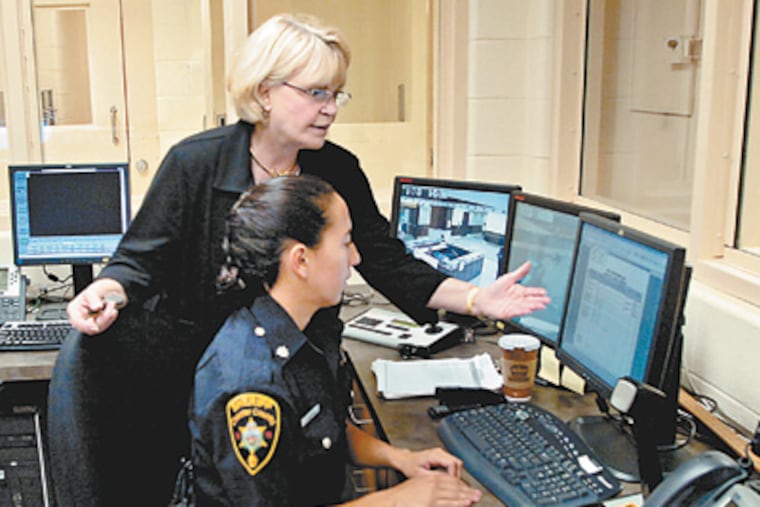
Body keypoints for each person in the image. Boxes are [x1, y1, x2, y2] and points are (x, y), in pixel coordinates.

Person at [62, 12, 548, 505]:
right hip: (226, 389)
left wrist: (476, 298)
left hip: (303, 373)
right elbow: (140, 259)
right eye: (316, 92)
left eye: (336, 94)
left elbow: (384, 259)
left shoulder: (335, 168)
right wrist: (108, 289)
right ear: (266, 91)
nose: (330, 108)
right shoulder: (197, 164)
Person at [190, 175, 482, 506]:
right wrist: (397, 500)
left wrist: (399, 458)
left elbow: (324, 433)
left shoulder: (302, 332)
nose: (356, 257)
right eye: (345, 242)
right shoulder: (251, 390)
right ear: (301, 260)